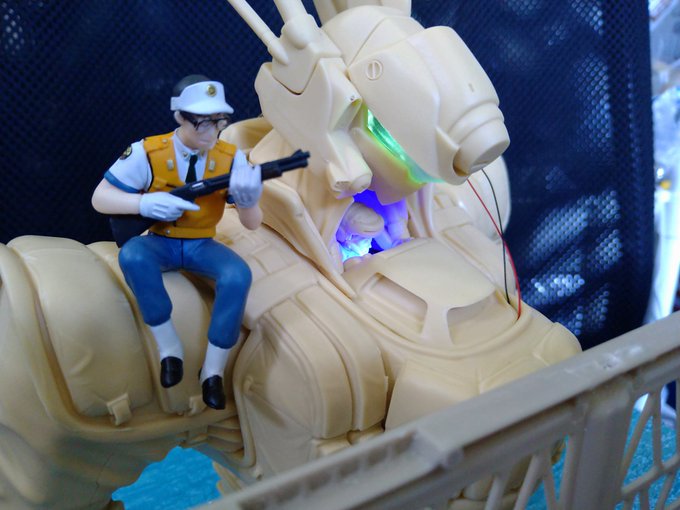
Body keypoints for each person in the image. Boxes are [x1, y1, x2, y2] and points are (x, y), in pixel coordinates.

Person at [92, 75, 263, 410]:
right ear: (180, 117)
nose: (211, 132)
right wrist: (143, 204)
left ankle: (213, 371)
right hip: (161, 240)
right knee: (133, 255)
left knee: (237, 275)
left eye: (219, 121)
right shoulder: (148, 152)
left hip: (202, 243)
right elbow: (100, 198)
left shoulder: (232, 158)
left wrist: (248, 200)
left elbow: (252, 223)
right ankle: (169, 349)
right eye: (202, 122)